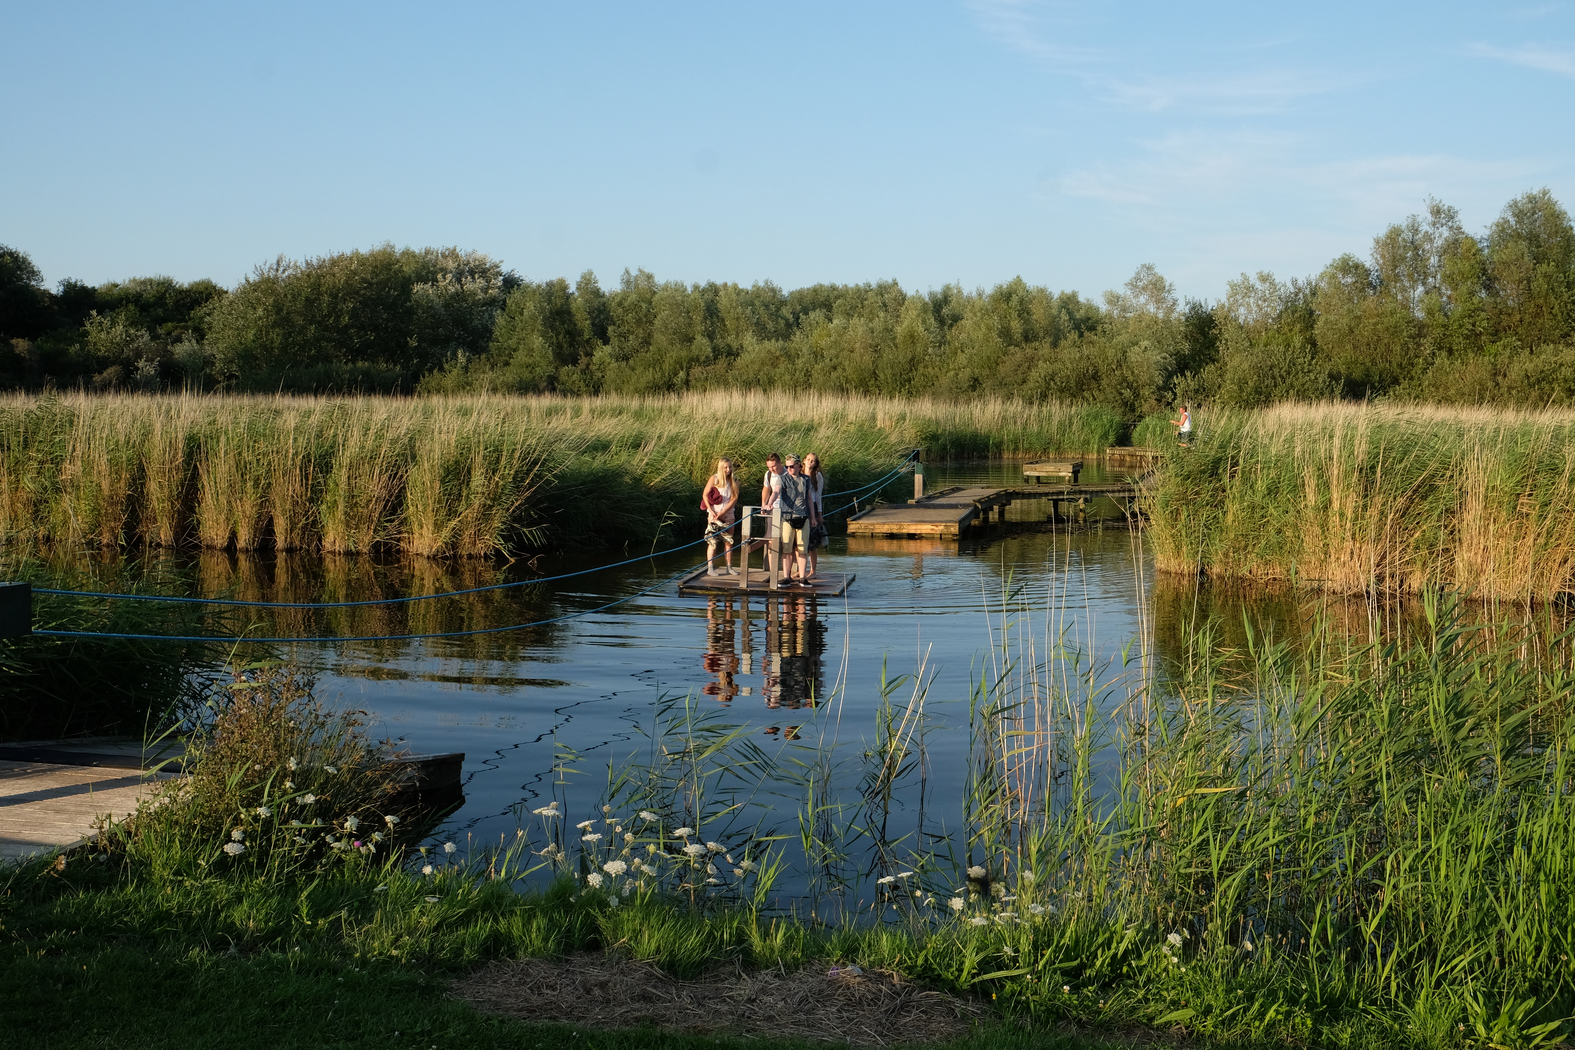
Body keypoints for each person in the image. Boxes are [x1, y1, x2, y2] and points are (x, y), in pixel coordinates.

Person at [776, 453, 812, 585]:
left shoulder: (806, 479)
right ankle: (787, 577)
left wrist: (813, 517)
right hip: (787, 517)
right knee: (787, 548)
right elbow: (776, 491)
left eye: (791, 466)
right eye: (787, 467)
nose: (789, 469)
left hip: (803, 516)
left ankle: (802, 577)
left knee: (803, 549)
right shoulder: (782, 479)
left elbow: (809, 498)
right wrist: (769, 503)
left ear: (798, 465)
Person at [701, 457, 739, 575]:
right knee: (712, 541)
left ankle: (729, 567)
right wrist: (711, 510)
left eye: (730, 467)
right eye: (725, 467)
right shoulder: (714, 478)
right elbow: (705, 494)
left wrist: (723, 512)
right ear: (721, 468)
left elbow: (734, 498)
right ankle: (710, 568)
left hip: (728, 513)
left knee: (728, 541)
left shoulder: (734, 480)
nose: (728, 470)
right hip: (714, 513)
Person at [760, 452, 785, 581]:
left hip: (786, 511)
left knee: (786, 542)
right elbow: (766, 489)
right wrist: (763, 505)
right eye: (769, 467)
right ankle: (772, 573)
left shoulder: (788, 473)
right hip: (772, 510)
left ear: (780, 463)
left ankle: (787, 574)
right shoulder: (768, 474)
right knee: (770, 541)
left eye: (774, 466)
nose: (772, 469)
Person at [802, 453, 826, 582]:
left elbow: (818, 495)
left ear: (815, 463)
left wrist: (819, 514)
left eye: (813, 461)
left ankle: (813, 571)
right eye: (808, 460)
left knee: (812, 541)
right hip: (800, 507)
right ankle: (801, 570)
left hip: (813, 507)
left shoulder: (817, 476)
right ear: (804, 461)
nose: (810, 462)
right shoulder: (798, 473)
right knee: (799, 540)